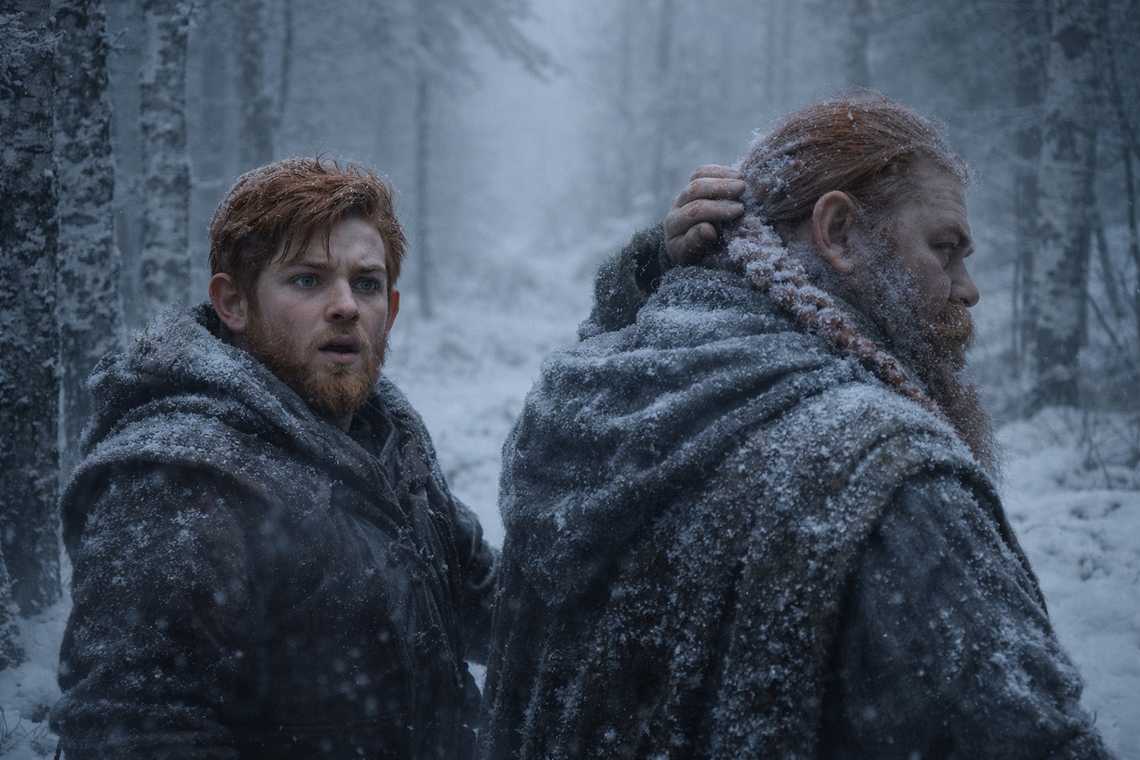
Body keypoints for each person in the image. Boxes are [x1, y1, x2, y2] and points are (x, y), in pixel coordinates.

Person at [480, 95, 1112, 758]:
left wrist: (643, 278)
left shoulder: (576, 411)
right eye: (945, 249)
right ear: (837, 233)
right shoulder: (892, 481)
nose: (968, 287)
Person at [51, 158, 499, 759]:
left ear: (389, 310)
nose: (345, 305)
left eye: (365, 283)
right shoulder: (178, 481)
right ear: (233, 303)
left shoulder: (387, 436)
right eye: (307, 280)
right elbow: (134, 735)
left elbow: (503, 610)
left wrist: (649, 277)